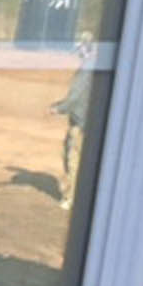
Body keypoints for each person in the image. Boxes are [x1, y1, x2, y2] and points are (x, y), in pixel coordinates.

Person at [51, 31, 96, 210]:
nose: (78, 52)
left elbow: (75, 96)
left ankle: (71, 198)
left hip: (80, 123)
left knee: (73, 160)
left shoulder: (86, 69)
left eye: (81, 48)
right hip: (92, 123)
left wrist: (58, 108)